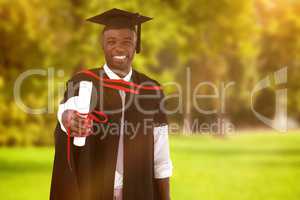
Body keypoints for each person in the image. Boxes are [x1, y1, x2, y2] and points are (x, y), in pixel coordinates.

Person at [50, 8, 172, 200]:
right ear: (103, 45)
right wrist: (69, 118)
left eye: (127, 41)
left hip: (139, 192)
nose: (119, 48)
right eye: (111, 41)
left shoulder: (152, 91)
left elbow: (161, 157)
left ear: (136, 45)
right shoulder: (84, 82)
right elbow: (66, 108)